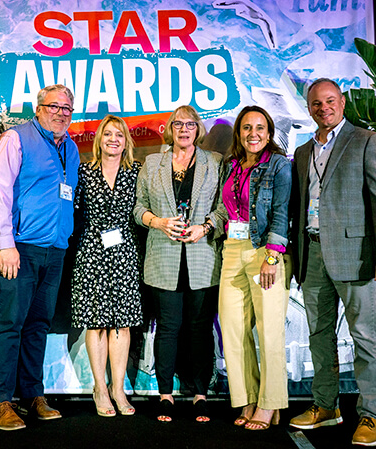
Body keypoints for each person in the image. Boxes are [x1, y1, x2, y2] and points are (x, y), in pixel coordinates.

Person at [289, 78, 376, 446]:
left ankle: (371, 416)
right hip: (313, 253)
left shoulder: (367, 141)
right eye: (317, 103)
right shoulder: (304, 151)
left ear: (342, 103)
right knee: (319, 337)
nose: (324, 108)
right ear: (309, 109)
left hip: (357, 256)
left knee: (365, 337)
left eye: (330, 100)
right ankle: (326, 407)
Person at [0, 84, 80, 430]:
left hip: (55, 249)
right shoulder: (16, 139)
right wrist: (5, 244)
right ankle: (0, 401)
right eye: (54, 106)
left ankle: (31, 394)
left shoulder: (70, 148)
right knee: (9, 323)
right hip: (20, 248)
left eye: (67, 108)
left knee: (38, 325)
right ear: (39, 108)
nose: (60, 112)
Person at [133, 105, 225, 423]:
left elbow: (225, 208)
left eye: (190, 124)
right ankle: (165, 395)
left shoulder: (214, 163)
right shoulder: (152, 163)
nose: (184, 129)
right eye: (177, 124)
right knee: (168, 329)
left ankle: (200, 393)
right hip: (162, 257)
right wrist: (158, 222)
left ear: (198, 129)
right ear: (169, 129)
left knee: (200, 328)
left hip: (202, 258)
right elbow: (138, 208)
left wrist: (206, 227)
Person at [218, 106, 291, 431]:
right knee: (233, 333)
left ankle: (269, 404)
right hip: (232, 250)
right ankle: (248, 398)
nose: (253, 134)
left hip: (265, 252)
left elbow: (281, 211)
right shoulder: (230, 164)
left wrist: (273, 256)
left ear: (269, 131)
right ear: (239, 132)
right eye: (247, 128)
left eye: (260, 128)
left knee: (269, 332)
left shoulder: (278, 165)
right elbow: (224, 208)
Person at [71, 115, 143, 417]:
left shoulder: (137, 172)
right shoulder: (84, 172)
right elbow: (71, 209)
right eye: (108, 134)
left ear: (126, 141)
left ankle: (118, 388)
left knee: (121, 323)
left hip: (124, 252)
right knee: (96, 322)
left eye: (119, 134)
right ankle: (100, 388)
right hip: (91, 253)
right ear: (99, 139)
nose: (113, 139)